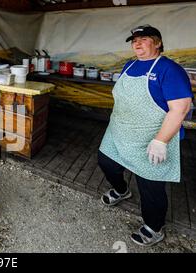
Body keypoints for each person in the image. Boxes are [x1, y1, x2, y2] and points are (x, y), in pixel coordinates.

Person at [98, 25, 194, 246]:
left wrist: (161, 141)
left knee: (150, 185)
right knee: (106, 162)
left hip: (152, 138)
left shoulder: (169, 70)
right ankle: (121, 190)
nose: (137, 44)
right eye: (134, 41)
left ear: (158, 43)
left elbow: (180, 108)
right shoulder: (129, 65)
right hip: (119, 131)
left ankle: (154, 227)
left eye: (143, 39)